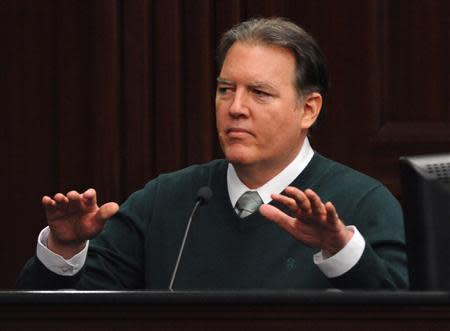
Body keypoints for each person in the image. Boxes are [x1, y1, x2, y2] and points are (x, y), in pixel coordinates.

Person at [17, 17, 408, 290]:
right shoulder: (168, 201)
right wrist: (64, 250)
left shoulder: (363, 203)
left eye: (259, 92)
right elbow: (66, 311)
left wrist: (340, 250)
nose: (235, 107)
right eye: (225, 89)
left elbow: (405, 314)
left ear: (309, 109)